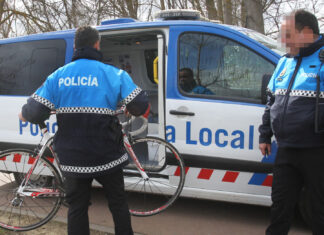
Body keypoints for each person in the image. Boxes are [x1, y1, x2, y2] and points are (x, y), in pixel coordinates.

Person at [19, 26, 149, 235]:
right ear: (97, 45)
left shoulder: (57, 76)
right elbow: (140, 106)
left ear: (75, 46)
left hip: (73, 158)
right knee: (118, 204)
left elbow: (32, 113)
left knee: (77, 208)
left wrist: (23, 114)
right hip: (108, 155)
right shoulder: (114, 74)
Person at [258, 10, 324, 235]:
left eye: (288, 34)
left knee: (319, 211)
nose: (283, 41)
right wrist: (265, 134)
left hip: (317, 150)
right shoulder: (284, 62)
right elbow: (271, 101)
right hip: (286, 149)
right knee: (280, 207)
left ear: (306, 33)